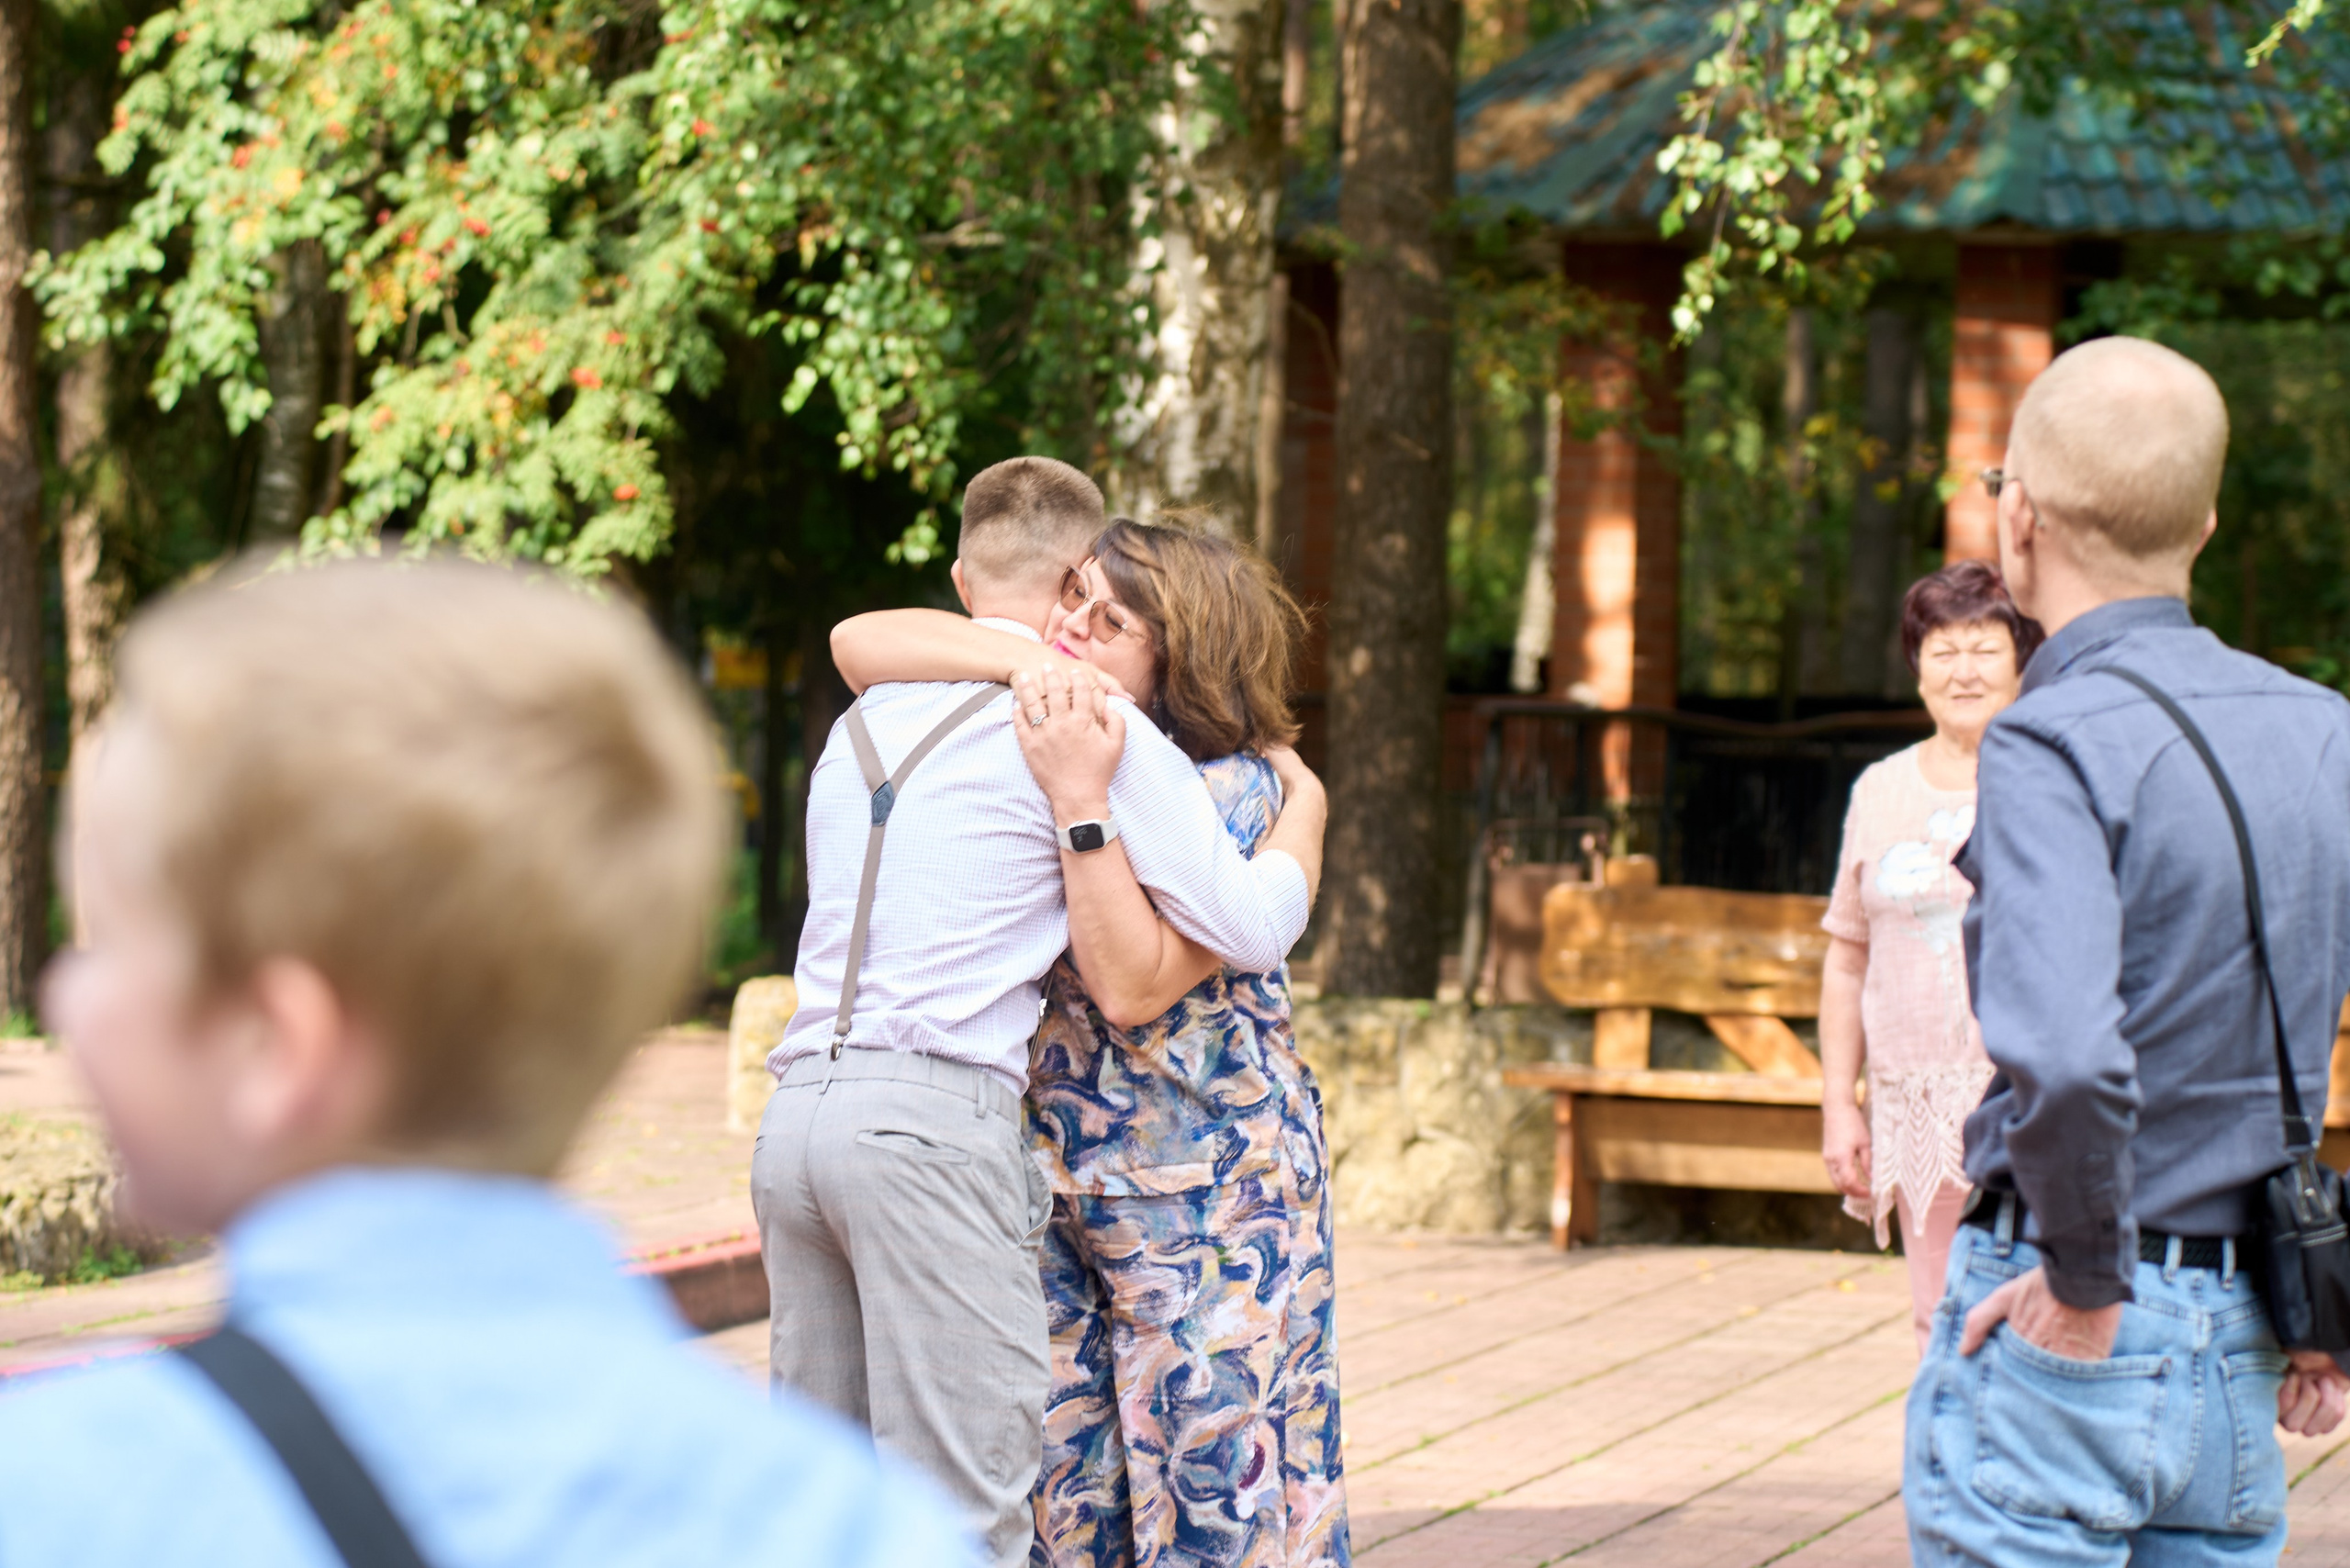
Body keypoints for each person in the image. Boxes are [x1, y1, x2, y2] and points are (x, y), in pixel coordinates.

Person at [0, 559, 973, 1567]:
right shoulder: (855, 1526)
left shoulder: (64, 1497)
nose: (63, 998)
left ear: (276, 1046)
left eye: (101, 946)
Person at [758, 461, 1325, 1568]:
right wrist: (1305, 810)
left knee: (815, 1503)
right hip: (931, 1127)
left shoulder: (863, 723)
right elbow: (1256, 928)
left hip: (795, 1122)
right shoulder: (1089, 720)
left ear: (962, 577)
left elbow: (856, 637)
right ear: (1078, 576)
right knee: (961, 1512)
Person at [1902, 335, 2350, 1567]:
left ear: (2020, 516)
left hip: (2073, 1312)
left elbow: (2066, 1054)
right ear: (2203, 523)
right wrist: (2322, 1307)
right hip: (2249, 1322)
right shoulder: (2327, 733)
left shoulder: (2051, 739)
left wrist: (2088, 1282)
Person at [1819, 560, 2042, 1353]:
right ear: (1917, 669)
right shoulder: (1880, 790)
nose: (1964, 671)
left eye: (1984, 648)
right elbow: (1848, 959)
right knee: (1936, 1316)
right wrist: (1840, 1104)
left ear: (2021, 659)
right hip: (1915, 1103)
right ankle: (1948, 1475)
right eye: (1942, 650)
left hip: (2031, 1102)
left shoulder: (2056, 780)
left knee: (2038, 1316)